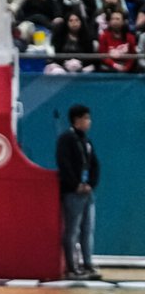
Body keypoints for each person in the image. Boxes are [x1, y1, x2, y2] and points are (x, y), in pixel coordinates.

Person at [56, 105, 100, 280]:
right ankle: (71, 267)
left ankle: (87, 264)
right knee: (72, 230)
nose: (89, 121)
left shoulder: (86, 141)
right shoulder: (66, 139)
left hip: (87, 193)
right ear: (77, 120)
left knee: (87, 229)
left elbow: (94, 165)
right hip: (72, 193)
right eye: (86, 118)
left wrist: (91, 184)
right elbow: (64, 164)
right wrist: (76, 185)